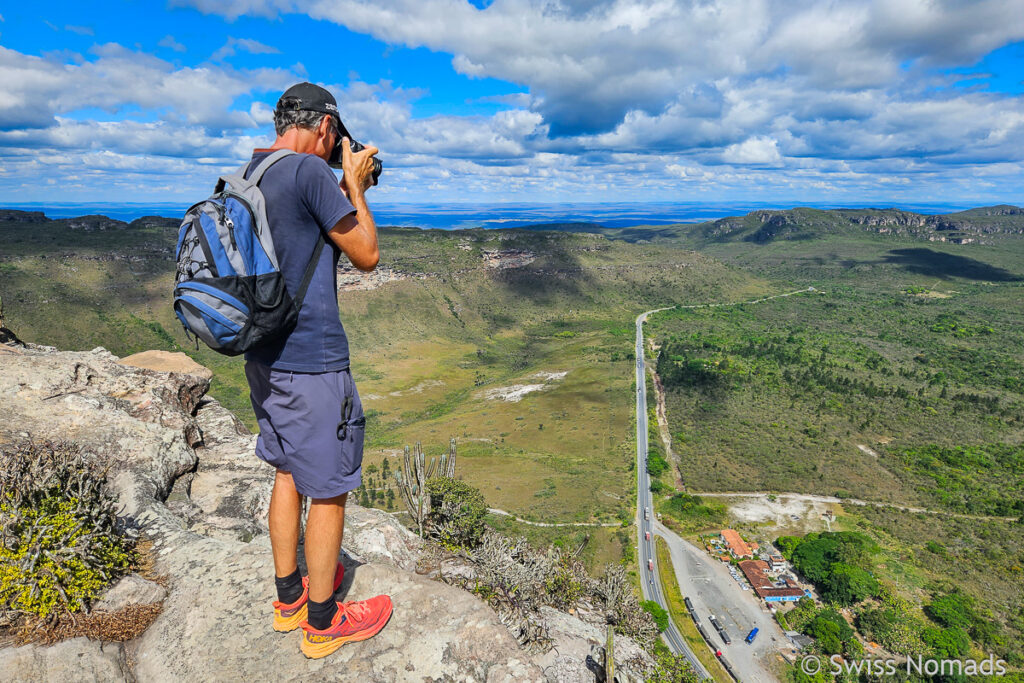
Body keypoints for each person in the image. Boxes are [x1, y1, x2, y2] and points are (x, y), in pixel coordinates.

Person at [242, 82, 391, 660]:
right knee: (327, 491)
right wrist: (354, 185)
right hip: (313, 363)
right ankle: (325, 621)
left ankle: (288, 601)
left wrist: (341, 182)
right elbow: (367, 253)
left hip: (264, 357)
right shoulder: (309, 174)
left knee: (285, 472)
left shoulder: (254, 172)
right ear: (326, 127)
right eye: (337, 137)